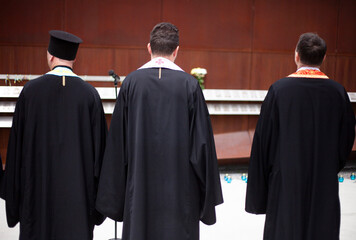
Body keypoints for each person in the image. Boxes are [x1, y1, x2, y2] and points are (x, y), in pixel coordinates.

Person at [96, 22, 223, 240]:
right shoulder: (190, 86)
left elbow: (117, 146)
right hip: (180, 196)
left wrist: (114, 198)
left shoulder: (131, 84)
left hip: (140, 195)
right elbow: (202, 146)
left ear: (149, 48)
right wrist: (207, 199)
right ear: (176, 51)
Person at [245, 32, 355, 240]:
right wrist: (331, 164)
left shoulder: (279, 90)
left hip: (286, 177)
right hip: (323, 178)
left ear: (296, 55)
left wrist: (268, 177)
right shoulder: (338, 92)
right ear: (324, 58)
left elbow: (264, 141)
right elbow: (346, 138)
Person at [3, 30, 107, 239]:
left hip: (37, 203)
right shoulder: (89, 95)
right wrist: (97, 209)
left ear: (50, 56)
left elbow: (16, 151)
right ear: (74, 58)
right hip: (78, 205)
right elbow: (101, 157)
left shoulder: (30, 93)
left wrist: (15, 203)